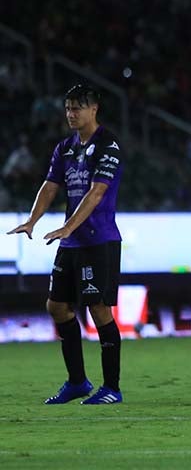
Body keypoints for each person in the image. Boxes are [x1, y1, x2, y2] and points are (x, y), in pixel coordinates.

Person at [8, 84, 126, 405]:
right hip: (71, 241)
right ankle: (77, 381)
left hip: (98, 240)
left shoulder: (108, 145)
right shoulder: (65, 147)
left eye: (78, 108)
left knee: (98, 309)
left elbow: (97, 193)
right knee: (56, 306)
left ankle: (112, 388)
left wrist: (67, 226)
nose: (72, 114)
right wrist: (33, 221)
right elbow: (50, 186)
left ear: (94, 110)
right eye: (68, 108)